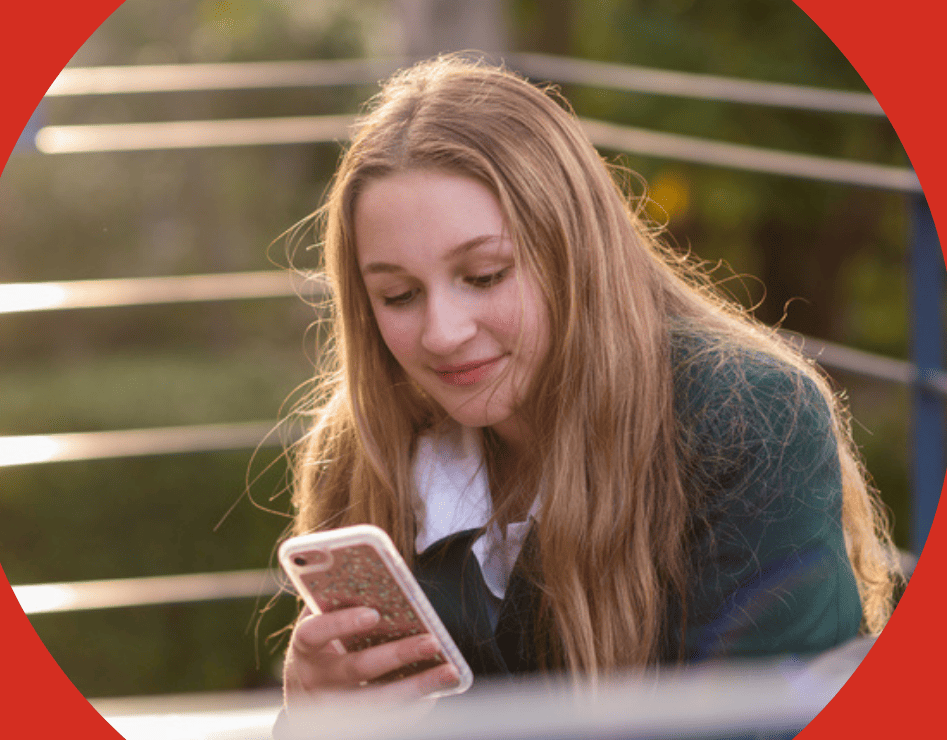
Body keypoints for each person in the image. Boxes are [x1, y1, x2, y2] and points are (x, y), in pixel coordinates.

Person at [275, 53, 903, 714]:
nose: (442, 333)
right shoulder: (363, 449)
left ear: (575, 253)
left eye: (486, 275)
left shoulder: (750, 418)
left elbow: (758, 721)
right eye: (398, 295)